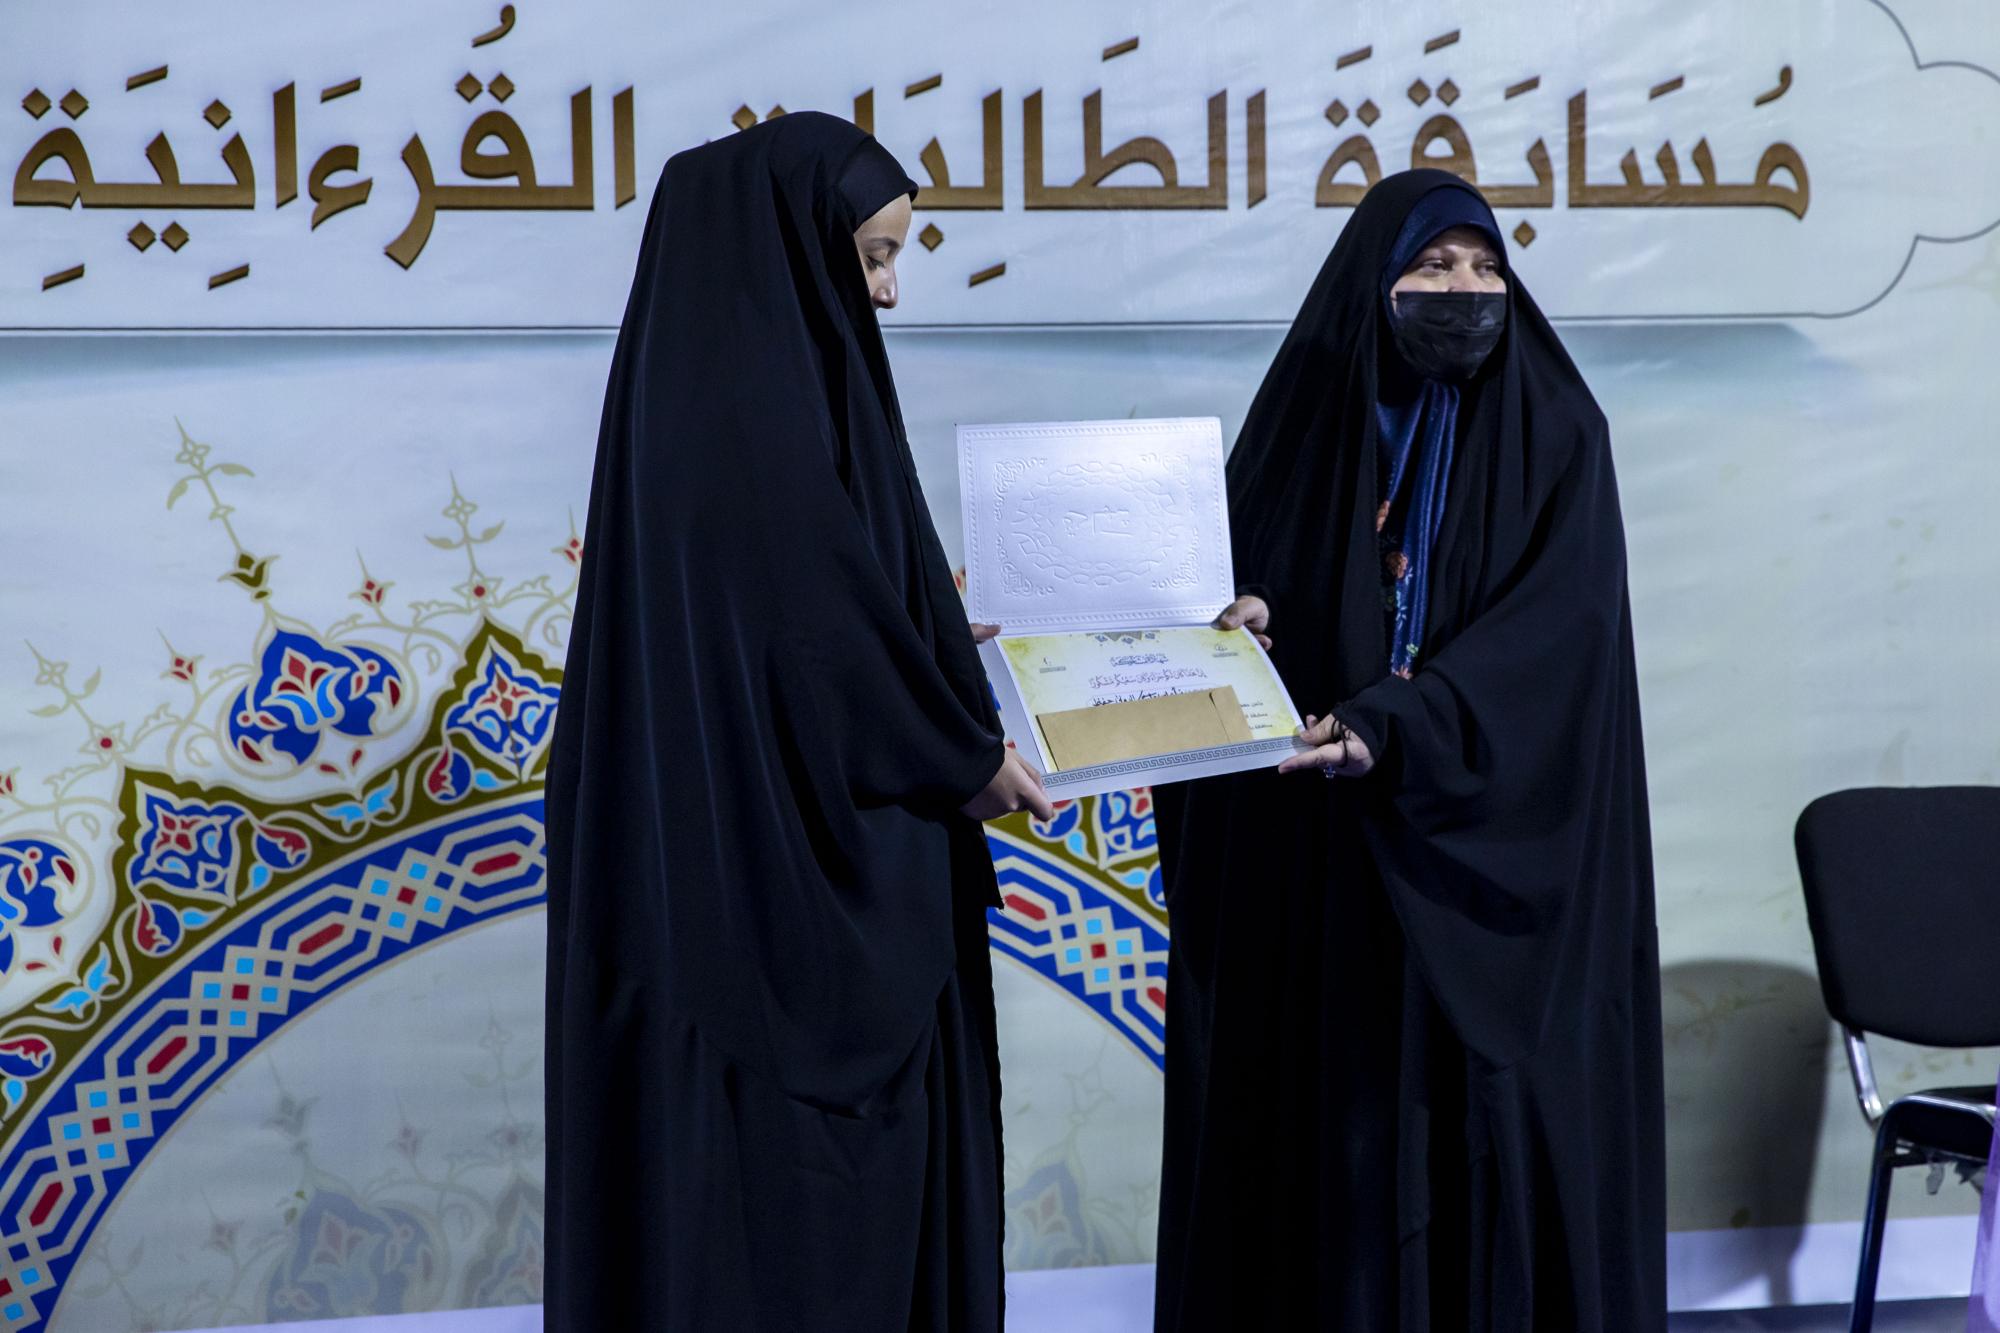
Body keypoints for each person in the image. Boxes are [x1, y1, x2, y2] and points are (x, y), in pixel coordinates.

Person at [542, 112, 1053, 1332]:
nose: (886, 292)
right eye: (871, 257)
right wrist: (962, 753)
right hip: (786, 927)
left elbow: (812, 610)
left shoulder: (708, 395)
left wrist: (926, 638)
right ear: (791, 247)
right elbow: (812, 635)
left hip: (709, 897)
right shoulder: (748, 416)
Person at [1152, 169, 1665, 1331]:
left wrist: (1393, 725)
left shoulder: (1556, 435)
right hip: (1321, 882)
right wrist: (1246, 620)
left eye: (1484, 266)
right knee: (1327, 1168)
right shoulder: (1299, 435)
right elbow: (1234, 603)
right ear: (1370, 282)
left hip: (1477, 886)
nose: (1463, 291)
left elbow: (1555, 648)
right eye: (1431, 266)